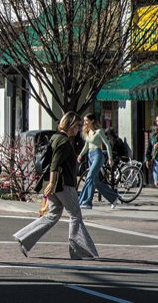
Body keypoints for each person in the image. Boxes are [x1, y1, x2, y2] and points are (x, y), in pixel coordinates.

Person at [14, 111, 98, 260]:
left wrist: (51, 183)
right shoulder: (64, 142)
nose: (79, 128)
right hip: (62, 184)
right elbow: (55, 164)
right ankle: (77, 251)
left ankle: (24, 238)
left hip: (54, 184)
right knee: (75, 215)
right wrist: (52, 183)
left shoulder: (55, 137)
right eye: (78, 125)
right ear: (71, 126)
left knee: (53, 215)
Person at [77, 114, 119, 209]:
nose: (85, 123)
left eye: (86, 120)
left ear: (92, 121)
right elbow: (86, 146)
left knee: (89, 177)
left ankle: (86, 202)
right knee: (95, 181)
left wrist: (110, 158)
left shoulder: (99, 131)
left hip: (98, 155)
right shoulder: (88, 132)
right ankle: (113, 198)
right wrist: (80, 155)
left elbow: (107, 145)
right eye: (84, 121)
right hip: (90, 156)